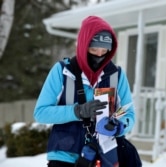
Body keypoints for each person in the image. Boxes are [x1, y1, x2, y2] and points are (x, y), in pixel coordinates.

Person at [34, 15, 135, 167]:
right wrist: (77, 111)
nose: (99, 55)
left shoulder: (117, 75)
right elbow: (41, 113)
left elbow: (127, 112)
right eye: (94, 49)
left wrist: (119, 125)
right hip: (63, 155)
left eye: (104, 50)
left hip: (102, 156)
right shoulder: (62, 71)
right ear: (83, 45)